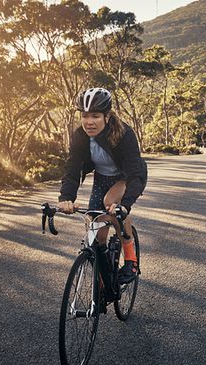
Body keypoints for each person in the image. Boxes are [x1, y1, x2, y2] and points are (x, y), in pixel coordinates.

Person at [58, 87, 147, 284]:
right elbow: (73, 168)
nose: (89, 122)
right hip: (102, 178)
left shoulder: (124, 134)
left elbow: (135, 174)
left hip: (126, 177)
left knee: (111, 207)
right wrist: (66, 198)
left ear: (107, 116)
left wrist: (125, 204)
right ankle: (105, 274)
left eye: (96, 116)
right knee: (96, 231)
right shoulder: (80, 136)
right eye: (85, 116)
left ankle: (131, 260)